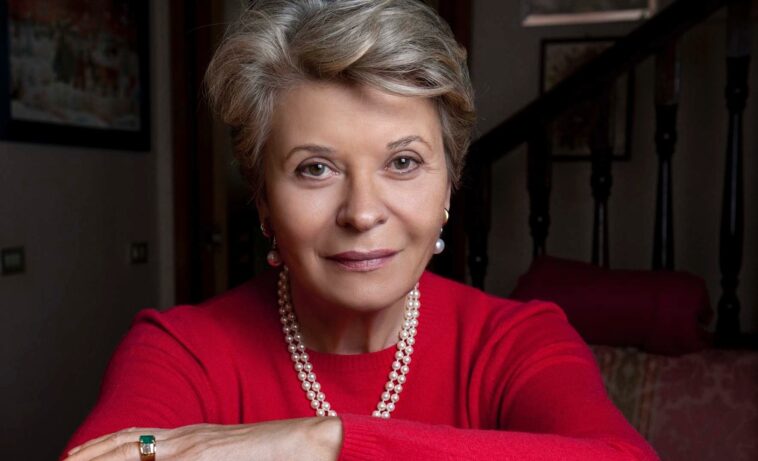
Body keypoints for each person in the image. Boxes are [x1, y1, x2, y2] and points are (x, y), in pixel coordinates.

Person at [62, 1, 659, 459]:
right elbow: (116, 456)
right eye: (315, 169)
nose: (363, 212)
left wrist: (327, 440)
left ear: (449, 185)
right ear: (264, 198)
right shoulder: (182, 350)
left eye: (403, 162)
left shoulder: (515, 342)